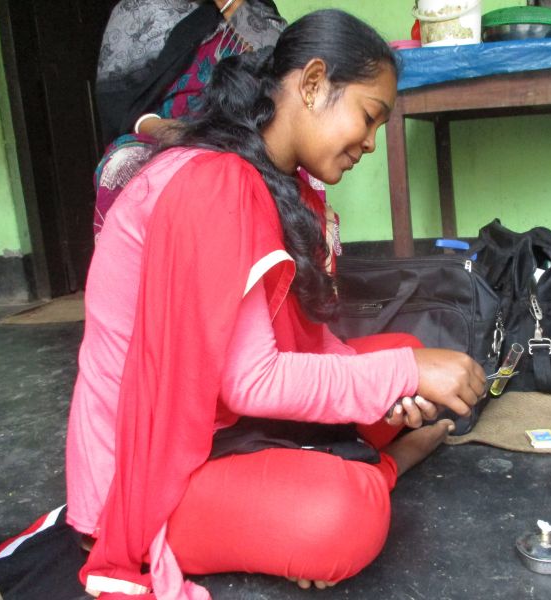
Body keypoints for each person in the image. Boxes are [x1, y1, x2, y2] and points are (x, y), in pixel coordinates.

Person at [67, 9, 486, 600]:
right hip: (146, 474)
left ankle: (307, 486)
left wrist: (398, 371)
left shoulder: (272, 180)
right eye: (369, 117)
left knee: (402, 351)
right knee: (347, 512)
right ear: (312, 84)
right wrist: (403, 375)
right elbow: (251, 381)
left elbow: (297, 338)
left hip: (217, 421)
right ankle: (385, 468)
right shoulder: (214, 183)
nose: (371, 143)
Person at [93, 0, 291, 239]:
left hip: (250, 131)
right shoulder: (137, 10)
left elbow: (289, 77)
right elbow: (121, 109)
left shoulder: (254, 7)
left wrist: (231, 6)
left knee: (293, 155)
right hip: (167, 134)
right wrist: (168, 130)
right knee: (122, 162)